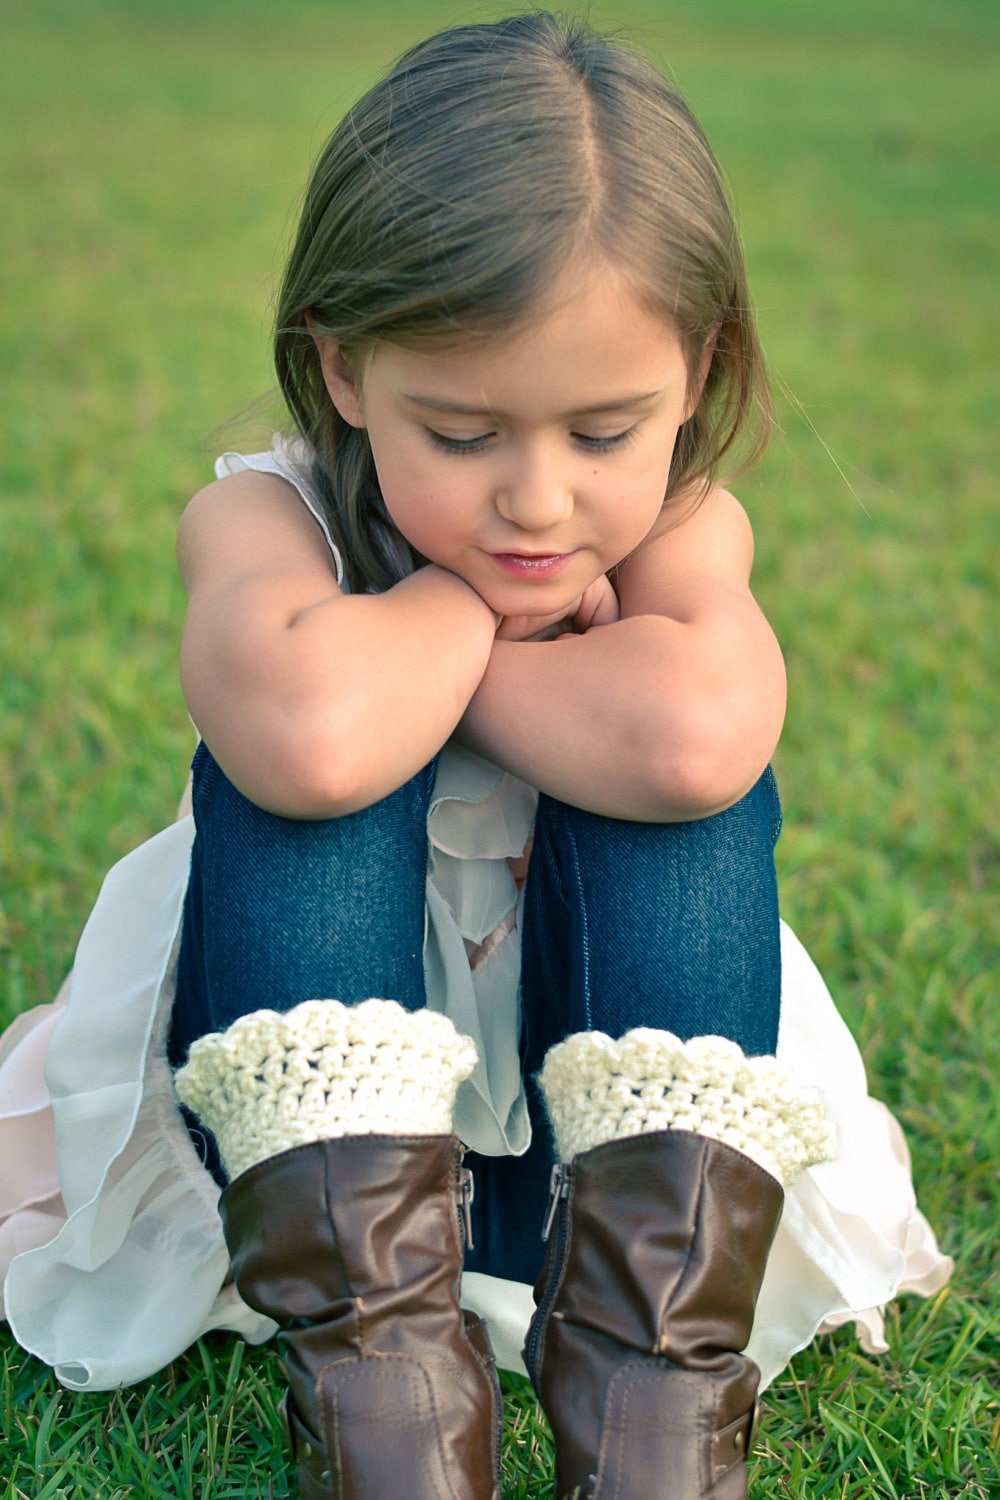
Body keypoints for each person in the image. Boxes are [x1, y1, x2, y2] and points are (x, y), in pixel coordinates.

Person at [0, 12, 951, 1500]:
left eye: (602, 430)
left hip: (592, 1182)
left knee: (671, 788)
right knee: (313, 766)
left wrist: (453, 660)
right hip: (306, 1161)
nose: (537, 500)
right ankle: (385, 1404)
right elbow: (313, 739)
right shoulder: (269, 519)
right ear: (346, 371)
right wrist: (456, 612)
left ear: (694, 374)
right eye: (459, 430)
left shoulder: (686, 532)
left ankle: (651, 1405)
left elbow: (699, 744)